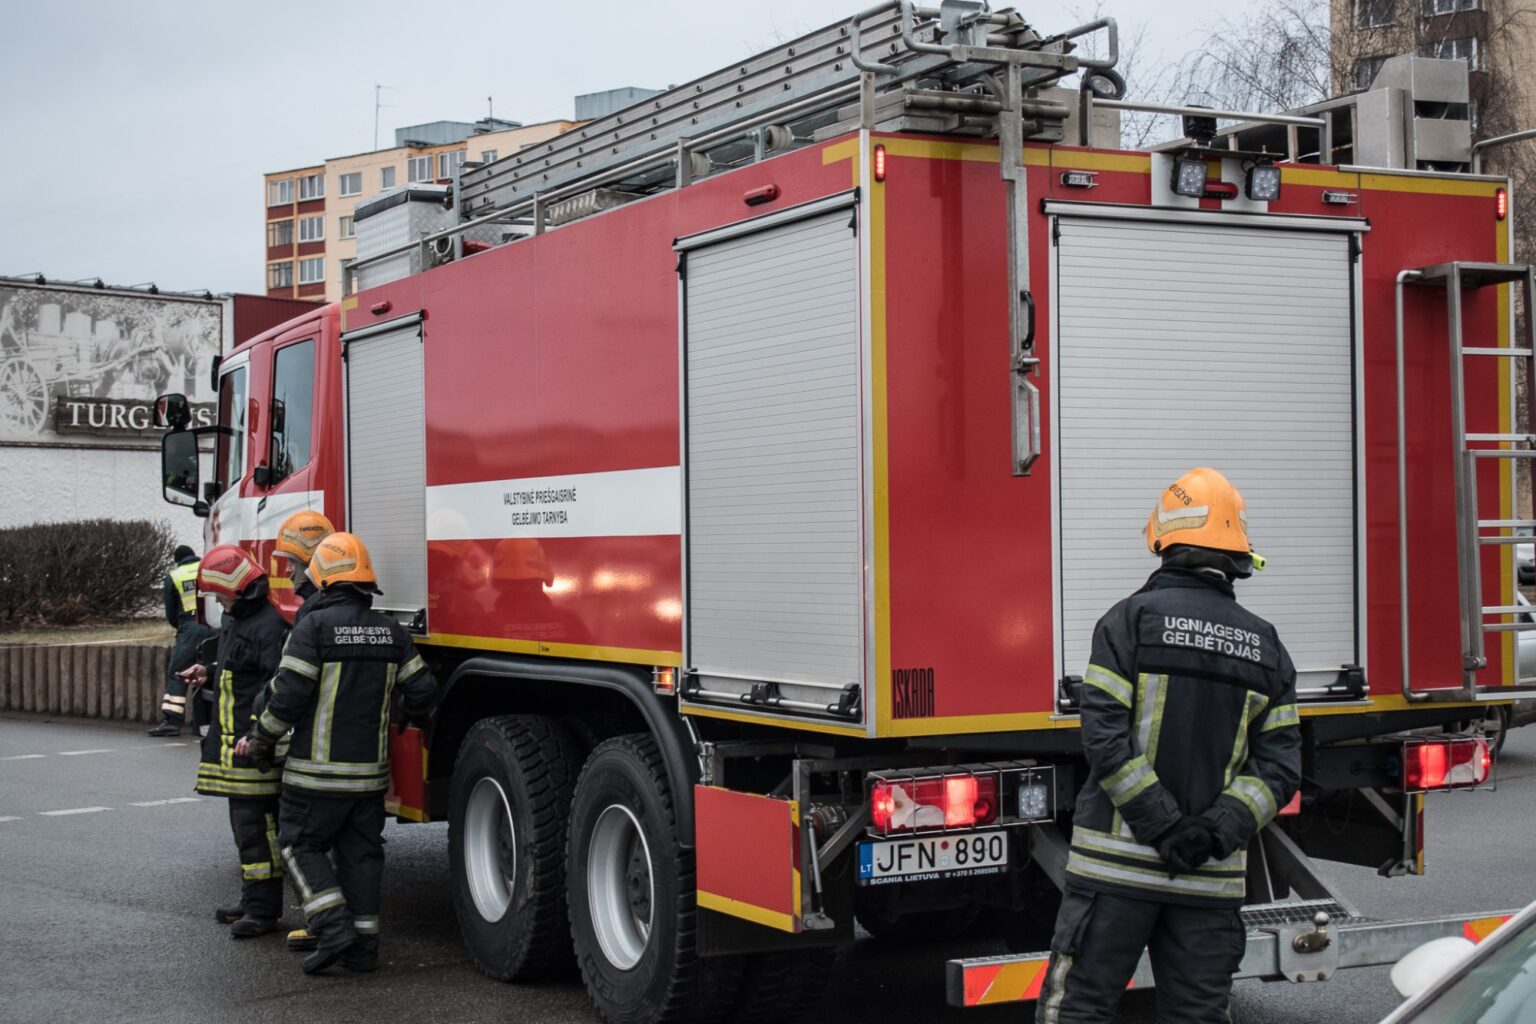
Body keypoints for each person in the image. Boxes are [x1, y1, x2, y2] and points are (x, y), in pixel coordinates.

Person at [1035, 468, 1302, 1024]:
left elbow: (1104, 738)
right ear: (1238, 556)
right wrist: (1211, 831)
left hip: (1115, 874)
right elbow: (1279, 768)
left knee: (1080, 1008)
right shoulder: (1265, 644)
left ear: (1164, 541)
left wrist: (1162, 826)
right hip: (1208, 875)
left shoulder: (1128, 621)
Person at [240, 532, 436, 974]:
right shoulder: (391, 631)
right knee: (362, 857)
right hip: (369, 780)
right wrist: (403, 713)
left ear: (324, 581)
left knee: (297, 844)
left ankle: (332, 929)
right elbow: (424, 691)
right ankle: (363, 949)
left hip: (315, 777)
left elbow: (287, 696)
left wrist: (262, 739)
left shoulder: (313, 627)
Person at [181, 544, 291, 938]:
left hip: (253, 751)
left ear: (239, 590)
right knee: (246, 831)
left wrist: (256, 734)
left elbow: (276, 689)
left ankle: (263, 911)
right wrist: (206, 672)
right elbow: (235, 669)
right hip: (234, 750)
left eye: (220, 595)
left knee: (259, 832)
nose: (219, 603)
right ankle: (252, 899)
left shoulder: (270, 627)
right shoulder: (239, 623)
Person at [148, 545, 213, 737]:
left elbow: (170, 613)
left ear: (178, 560)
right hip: (214, 624)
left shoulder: (175, 576)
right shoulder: (207, 567)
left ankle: (171, 721)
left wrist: (182, 627)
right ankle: (206, 720)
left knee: (178, 672)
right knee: (212, 669)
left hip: (191, 627)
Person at [272, 510, 334, 625]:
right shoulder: (324, 604)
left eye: (291, 561)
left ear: (310, 560)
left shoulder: (313, 612)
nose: (287, 569)